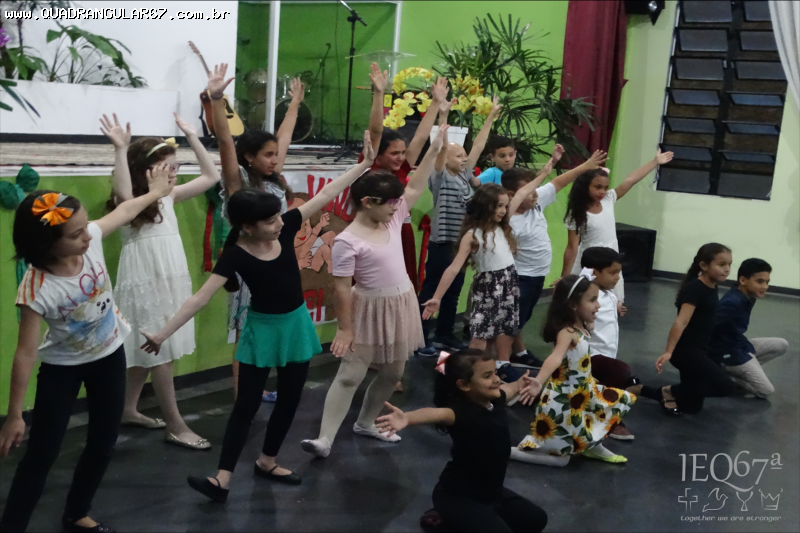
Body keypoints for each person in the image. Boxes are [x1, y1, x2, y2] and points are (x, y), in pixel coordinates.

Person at [140, 132, 377, 502]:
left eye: (278, 217)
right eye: (269, 221)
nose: (279, 224)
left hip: (295, 326)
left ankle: (268, 460)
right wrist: (161, 334)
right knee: (246, 406)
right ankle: (222, 478)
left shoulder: (286, 228)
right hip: (262, 331)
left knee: (289, 400)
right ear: (248, 227)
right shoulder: (236, 253)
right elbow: (200, 298)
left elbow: (327, 194)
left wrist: (364, 164)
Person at [0, 168, 174, 533]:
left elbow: (125, 211)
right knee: (42, 453)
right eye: (75, 234)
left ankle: (77, 512)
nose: (87, 235)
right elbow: (25, 353)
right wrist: (15, 414)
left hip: (108, 356)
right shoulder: (36, 287)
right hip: (63, 367)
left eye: (85, 228)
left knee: (103, 443)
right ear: (46, 244)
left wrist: (155, 191)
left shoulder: (89, 241)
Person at [300, 126, 449, 458]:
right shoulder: (347, 241)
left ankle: (366, 422)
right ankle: (324, 439)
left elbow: (416, 184)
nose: (397, 208)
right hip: (368, 308)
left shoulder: (391, 219)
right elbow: (340, 287)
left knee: (394, 372)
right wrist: (345, 328)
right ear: (367, 203)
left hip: (401, 303)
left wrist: (435, 147)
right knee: (350, 375)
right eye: (390, 204)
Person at [101, 112, 222, 450]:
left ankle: (128, 408)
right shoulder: (130, 202)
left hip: (169, 277)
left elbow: (211, 176)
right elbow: (125, 193)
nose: (172, 171)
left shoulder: (168, 196)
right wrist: (120, 150)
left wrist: (193, 137)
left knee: (150, 350)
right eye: (165, 166)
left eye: (174, 165)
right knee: (160, 352)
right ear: (145, 171)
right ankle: (176, 425)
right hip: (145, 278)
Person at [207, 64, 305, 403]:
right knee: (246, 331)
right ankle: (243, 393)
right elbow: (225, 141)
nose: (275, 160)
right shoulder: (240, 185)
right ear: (249, 157)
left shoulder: (274, 179)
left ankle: (256, 388)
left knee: (272, 326)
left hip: (275, 262)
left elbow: (284, 137)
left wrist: (294, 105)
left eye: (276, 155)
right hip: (250, 265)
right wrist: (216, 99)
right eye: (268, 155)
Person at [375, 350, 548, 533]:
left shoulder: (496, 400)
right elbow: (435, 413)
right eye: (487, 376)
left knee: (536, 520)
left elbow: (511, 388)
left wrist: (524, 383)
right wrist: (407, 418)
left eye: (495, 373)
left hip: (491, 493)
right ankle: (443, 520)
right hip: (457, 496)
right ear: (464, 385)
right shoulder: (459, 412)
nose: (497, 380)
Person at [512, 273, 636, 467]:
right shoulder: (567, 332)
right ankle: (510, 452)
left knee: (594, 416)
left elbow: (589, 328)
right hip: (565, 397)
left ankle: (592, 446)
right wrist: (539, 380)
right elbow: (555, 357)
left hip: (582, 389)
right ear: (573, 305)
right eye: (592, 300)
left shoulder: (582, 327)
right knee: (561, 460)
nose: (598, 306)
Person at [501, 148, 606, 369]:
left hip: (536, 275)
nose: (535, 195)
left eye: (535, 190)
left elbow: (559, 182)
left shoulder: (535, 201)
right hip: (519, 277)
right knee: (511, 322)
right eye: (529, 191)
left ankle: (519, 353)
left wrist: (586, 166)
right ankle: (501, 364)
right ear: (512, 195)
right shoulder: (508, 218)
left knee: (521, 318)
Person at [416, 96, 501, 356]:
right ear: (446, 158)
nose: (464, 159)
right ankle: (421, 338)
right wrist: (443, 118)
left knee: (453, 291)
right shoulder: (439, 176)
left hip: (461, 244)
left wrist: (490, 117)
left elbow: (478, 145)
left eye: (465, 156)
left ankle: (444, 335)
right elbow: (440, 151)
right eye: (459, 156)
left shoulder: (465, 176)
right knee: (432, 291)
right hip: (442, 244)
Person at [366, 62, 450, 290]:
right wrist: (379, 94)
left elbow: (420, 138)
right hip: (376, 235)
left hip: (402, 234)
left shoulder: (401, 170)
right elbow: (375, 131)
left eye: (403, 153)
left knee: (404, 289)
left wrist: (435, 103)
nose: (401, 158)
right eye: (394, 153)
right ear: (377, 156)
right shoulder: (369, 169)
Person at [632, 243, 737, 415]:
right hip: (687, 352)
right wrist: (669, 351)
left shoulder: (712, 286)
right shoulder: (695, 288)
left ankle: (642, 390)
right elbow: (681, 322)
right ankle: (667, 391)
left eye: (729, 264)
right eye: (721, 264)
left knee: (691, 407)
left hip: (700, 349)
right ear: (704, 266)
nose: (727, 269)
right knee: (726, 387)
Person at [558, 149, 674, 302]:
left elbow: (631, 180)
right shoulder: (577, 212)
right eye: (597, 187)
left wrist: (655, 162)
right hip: (591, 261)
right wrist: (565, 277)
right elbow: (572, 246)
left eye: (605, 187)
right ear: (585, 186)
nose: (602, 191)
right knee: (586, 300)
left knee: (610, 301)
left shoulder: (608, 199)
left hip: (611, 258)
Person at [580, 246, 639, 441]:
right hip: (587, 354)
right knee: (620, 370)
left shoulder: (607, 293)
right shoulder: (584, 291)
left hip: (606, 352)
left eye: (619, 272)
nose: (617, 278)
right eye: (612, 273)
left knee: (622, 378)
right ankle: (610, 422)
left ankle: (596, 410)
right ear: (593, 272)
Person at [708, 258, 788, 398]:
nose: (765, 287)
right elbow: (706, 325)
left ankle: (742, 371)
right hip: (729, 354)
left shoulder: (748, 295)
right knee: (766, 391)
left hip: (741, 345)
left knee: (782, 344)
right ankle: (723, 375)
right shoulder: (733, 302)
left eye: (767, 282)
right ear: (743, 280)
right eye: (760, 282)